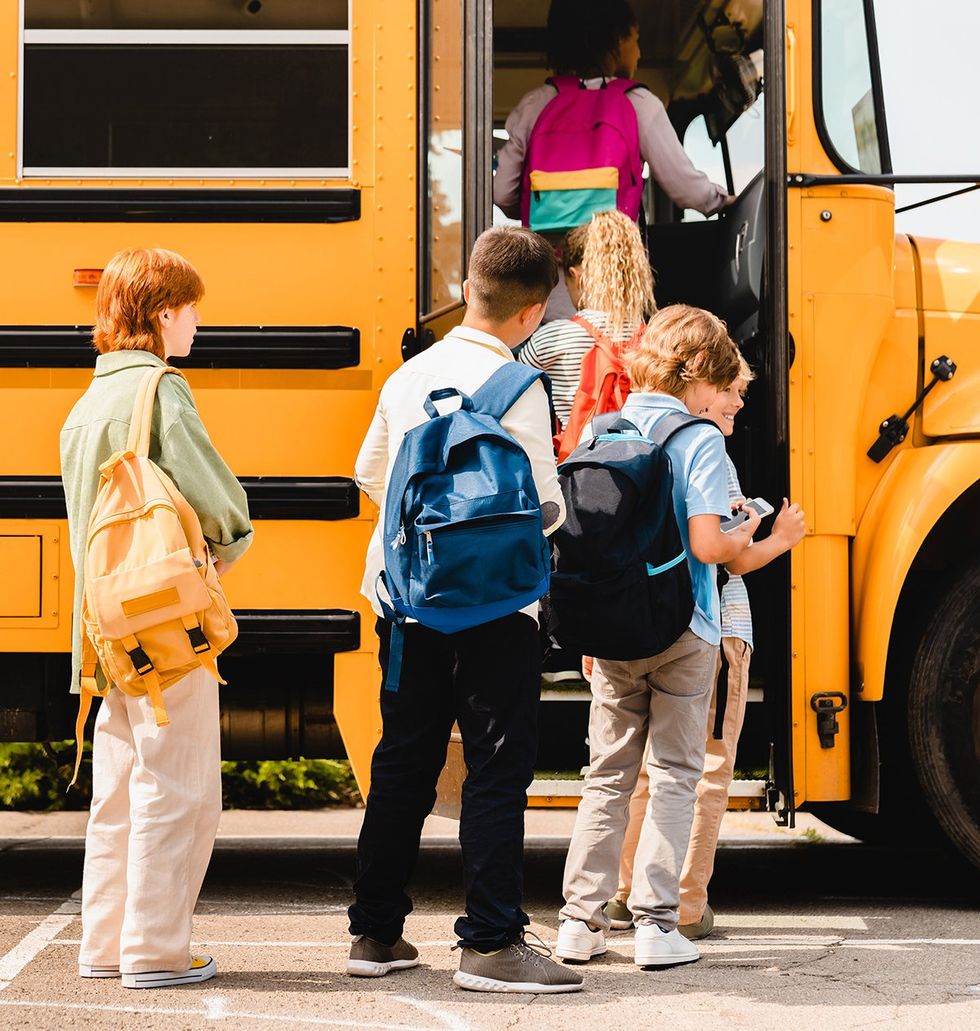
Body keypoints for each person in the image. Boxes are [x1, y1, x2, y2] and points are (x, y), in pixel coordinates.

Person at [348, 226, 582, 994]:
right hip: (497, 610)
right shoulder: (518, 386)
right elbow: (546, 505)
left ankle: (376, 932)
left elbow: (369, 474)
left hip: (407, 601)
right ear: (531, 313)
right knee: (494, 767)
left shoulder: (406, 376)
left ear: (471, 288)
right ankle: (489, 942)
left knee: (403, 762)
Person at [60, 248, 253, 988]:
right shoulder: (161, 391)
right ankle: (156, 949)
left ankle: (104, 943)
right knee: (180, 786)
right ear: (162, 312)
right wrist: (233, 544)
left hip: (104, 626)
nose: (198, 321)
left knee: (118, 787)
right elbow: (216, 496)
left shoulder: (87, 404)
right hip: (164, 623)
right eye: (191, 307)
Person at [555, 304, 759, 970]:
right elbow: (707, 543)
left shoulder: (603, 425)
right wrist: (752, 529)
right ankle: (654, 923)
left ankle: (579, 922)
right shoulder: (699, 439)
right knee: (674, 773)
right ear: (697, 370)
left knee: (606, 777)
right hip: (683, 628)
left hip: (612, 631)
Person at [607, 360, 807, 938]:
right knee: (705, 769)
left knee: (641, 771)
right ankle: (684, 904)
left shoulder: (623, 437)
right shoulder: (707, 453)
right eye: (732, 391)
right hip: (711, 627)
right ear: (698, 385)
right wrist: (778, 537)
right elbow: (730, 557)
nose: (740, 404)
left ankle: (626, 894)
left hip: (635, 624)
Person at [494, 0, 731, 229]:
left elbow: (502, 193)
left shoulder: (534, 105)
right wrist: (722, 200)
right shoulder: (639, 103)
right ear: (618, 41)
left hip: (549, 263)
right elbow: (688, 190)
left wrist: (539, 206)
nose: (638, 53)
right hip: (615, 262)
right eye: (636, 40)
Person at [517, 208, 655, 429]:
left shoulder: (553, 338)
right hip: (640, 459)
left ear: (575, 277)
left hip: (575, 460)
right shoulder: (654, 339)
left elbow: (513, 387)